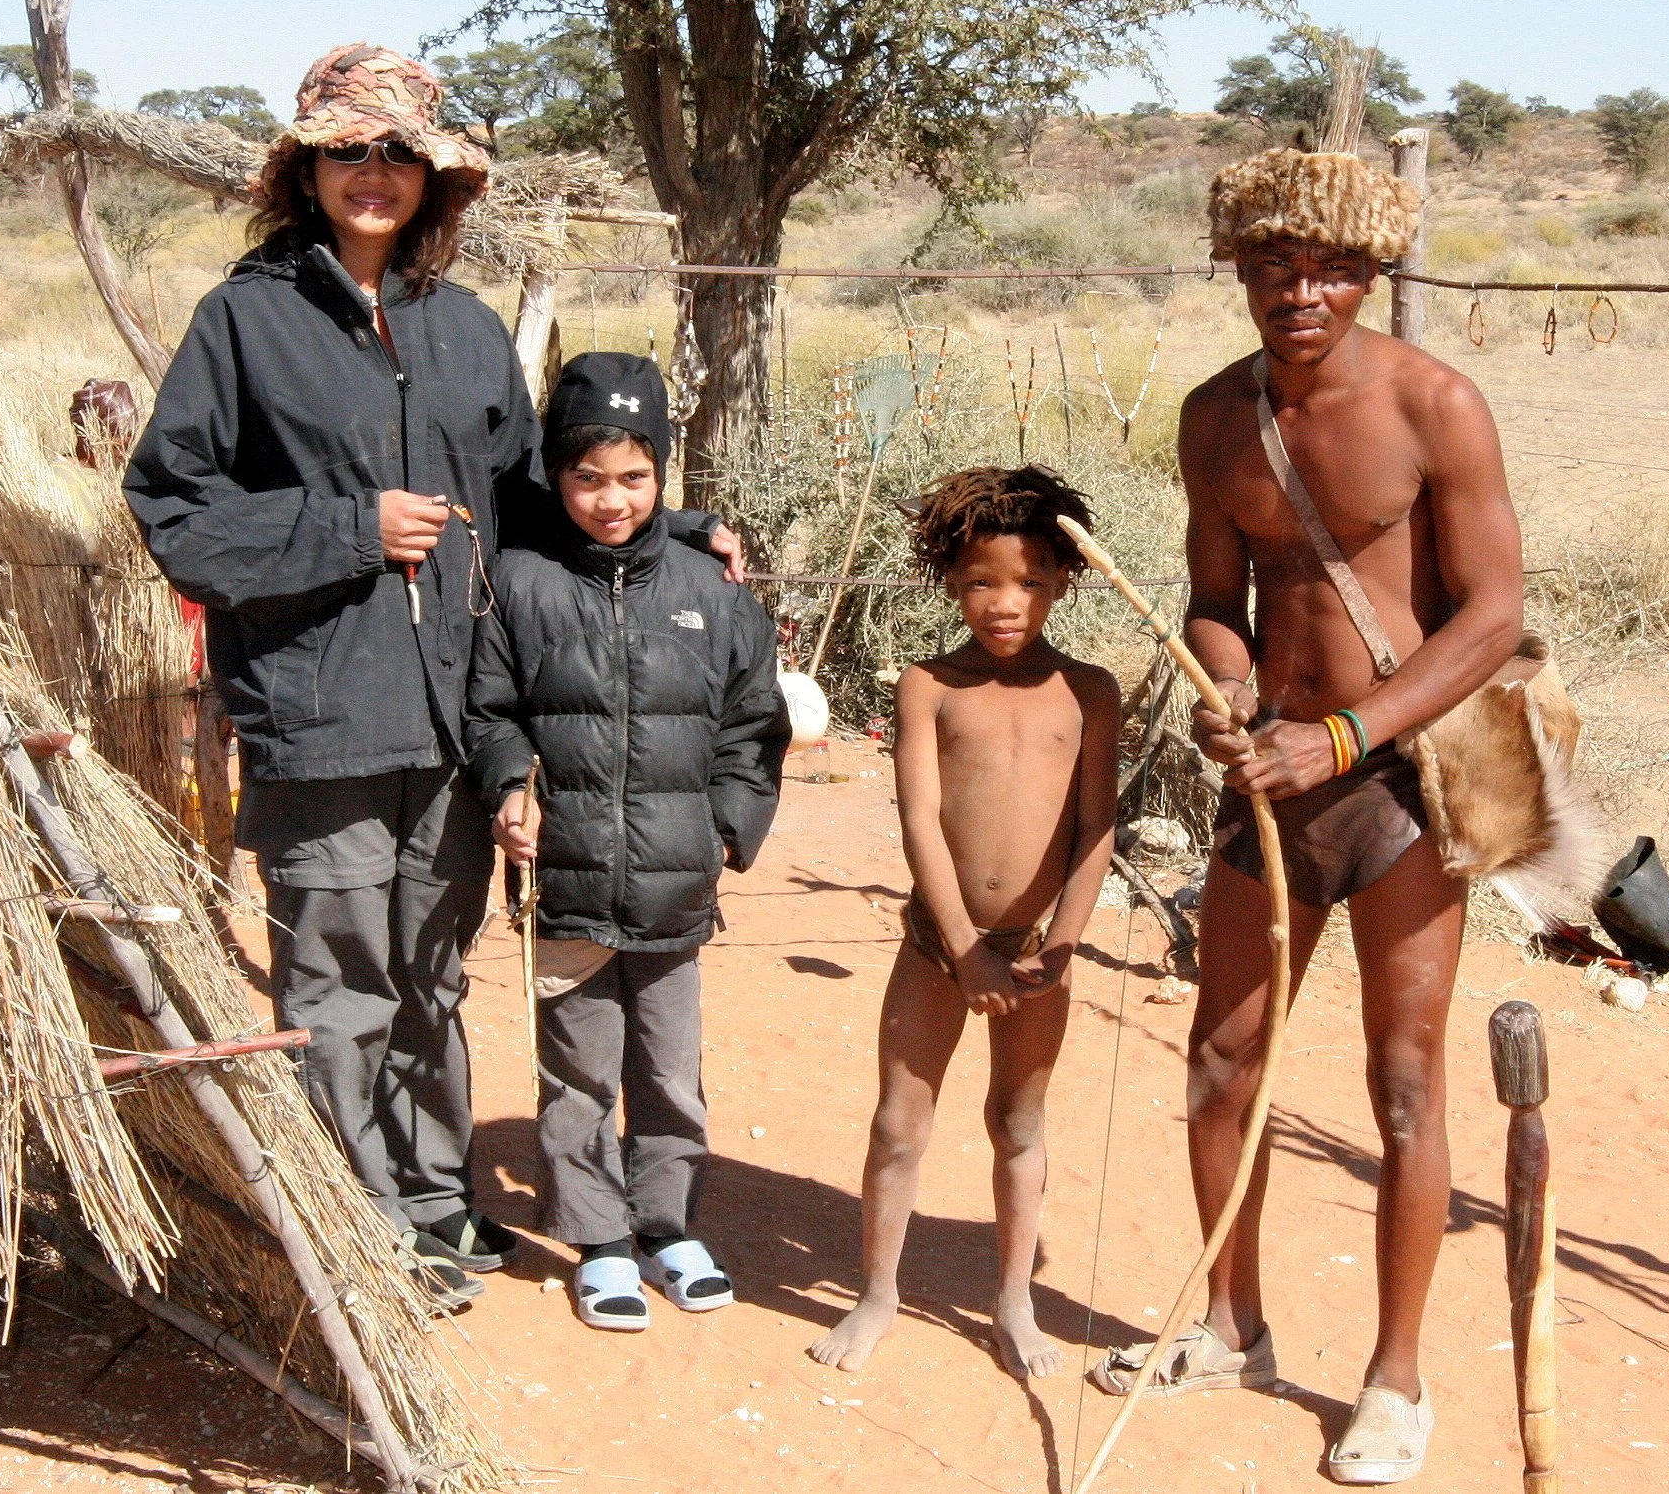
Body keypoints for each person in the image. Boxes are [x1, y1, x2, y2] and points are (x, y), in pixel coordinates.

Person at [123, 46, 739, 1307]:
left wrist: (673, 532)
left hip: (458, 719)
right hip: (321, 713)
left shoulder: (462, 332)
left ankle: (433, 1201)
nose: (373, 174)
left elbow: (531, 504)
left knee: (430, 978)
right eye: (348, 151)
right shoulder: (243, 321)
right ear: (306, 169)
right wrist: (350, 529)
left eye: (397, 153)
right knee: (339, 987)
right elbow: (171, 507)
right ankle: (352, 1232)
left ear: (432, 179)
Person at [1088, 148, 1523, 1486]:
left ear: (1371, 271)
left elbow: (1492, 617)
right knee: (1221, 1061)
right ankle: (1230, 1322)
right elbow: (1216, 590)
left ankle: (1394, 1382)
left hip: (1398, 785)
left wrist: (1340, 733)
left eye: (1331, 265)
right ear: (1237, 268)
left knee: (1401, 1083)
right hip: (1267, 786)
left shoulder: (1433, 404)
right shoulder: (1217, 419)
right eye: (1274, 263)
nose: (1301, 289)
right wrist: (1226, 691)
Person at [464, 353, 789, 1332]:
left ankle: (666, 1222)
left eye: (634, 477)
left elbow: (753, 724)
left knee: (668, 1071)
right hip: (561, 888)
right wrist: (508, 787)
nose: (611, 499)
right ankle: (600, 1238)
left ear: (665, 475)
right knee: (576, 1073)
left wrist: (725, 831)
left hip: (676, 889)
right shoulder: (519, 585)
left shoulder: (714, 593)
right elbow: (492, 712)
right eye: (587, 477)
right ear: (556, 478)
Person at [811, 466, 1119, 1377]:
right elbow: (917, 821)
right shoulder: (929, 685)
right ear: (950, 579)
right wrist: (962, 949)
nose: (1004, 603)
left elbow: (1097, 827)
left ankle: (1015, 1303)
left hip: (1037, 960)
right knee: (898, 1126)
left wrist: (1060, 946)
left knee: (1018, 1125)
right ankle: (877, 1295)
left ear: (1063, 578)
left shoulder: (1089, 692)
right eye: (982, 581)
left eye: (1027, 581)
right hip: (935, 948)